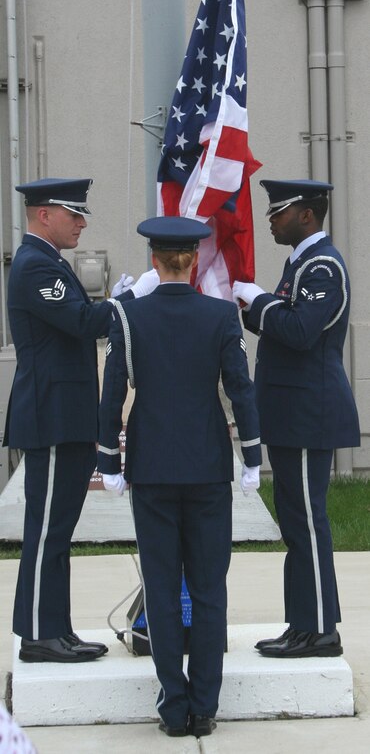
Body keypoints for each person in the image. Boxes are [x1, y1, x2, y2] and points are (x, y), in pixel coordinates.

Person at [97, 216, 262, 738]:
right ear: (193, 261)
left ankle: (173, 707)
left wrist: (108, 463)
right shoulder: (219, 316)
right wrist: (252, 456)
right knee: (210, 589)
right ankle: (205, 707)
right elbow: (240, 388)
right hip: (208, 467)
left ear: (154, 260)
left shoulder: (128, 315)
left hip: (151, 468)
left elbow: (111, 394)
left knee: (164, 590)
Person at [4, 177, 158, 664]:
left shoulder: (48, 263)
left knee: (59, 530)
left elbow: (80, 317)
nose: (82, 222)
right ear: (44, 214)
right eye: (74, 214)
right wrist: (127, 301)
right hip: (50, 415)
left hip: (65, 415)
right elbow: (84, 322)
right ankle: (36, 634)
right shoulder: (33, 266)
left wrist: (114, 302)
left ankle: (56, 629)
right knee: (46, 530)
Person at [233, 178, 360, 659]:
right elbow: (282, 322)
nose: (270, 219)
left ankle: (322, 630)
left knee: (307, 522)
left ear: (306, 214)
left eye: (278, 211)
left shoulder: (323, 266)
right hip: (292, 414)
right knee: (294, 522)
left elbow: (301, 331)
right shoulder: (301, 263)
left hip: (310, 414)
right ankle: (303, 624)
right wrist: (249, 305)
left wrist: (258, 300)